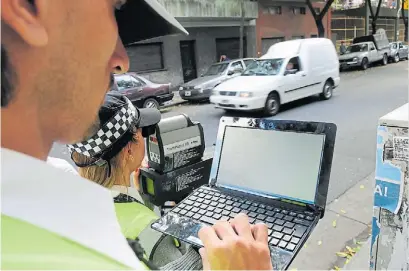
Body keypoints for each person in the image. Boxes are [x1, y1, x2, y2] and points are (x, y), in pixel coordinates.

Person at [1, 0, 272, 269]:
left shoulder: (48, 217)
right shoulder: (99, 247)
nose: (122, 61)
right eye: (114, 8)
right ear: (24, 6)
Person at [68, 92, 200, 268]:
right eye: (143, 131)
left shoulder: (68, 205)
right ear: (129, 150)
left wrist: (141, 200)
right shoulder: (147, 229)